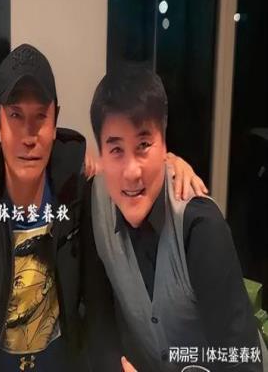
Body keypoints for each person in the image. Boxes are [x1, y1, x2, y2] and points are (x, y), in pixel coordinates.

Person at [0, 44, 206, 372]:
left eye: (40, 116)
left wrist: (168, 165)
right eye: (16, 116)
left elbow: (98, 308)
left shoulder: (77, 190)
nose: (29, 136)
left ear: (55, 119)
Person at [86, 65, 262, 371]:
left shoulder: (201, 228)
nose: (131, 172)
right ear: (101, 153)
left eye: (143, 145)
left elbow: (244, 363)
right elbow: (99, 317)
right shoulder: (94, 201)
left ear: (165, 146)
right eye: (116, 149)